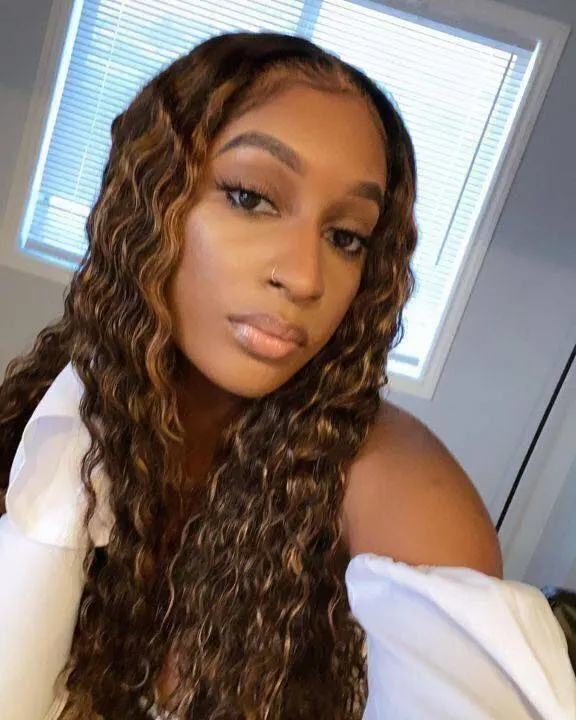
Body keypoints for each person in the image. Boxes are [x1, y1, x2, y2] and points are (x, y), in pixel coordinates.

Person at [0, 31, 573, 720]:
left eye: (346, 237)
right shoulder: (52, 413)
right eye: (251, 197)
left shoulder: (404, 492)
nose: (304, 278)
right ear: (148, 203)